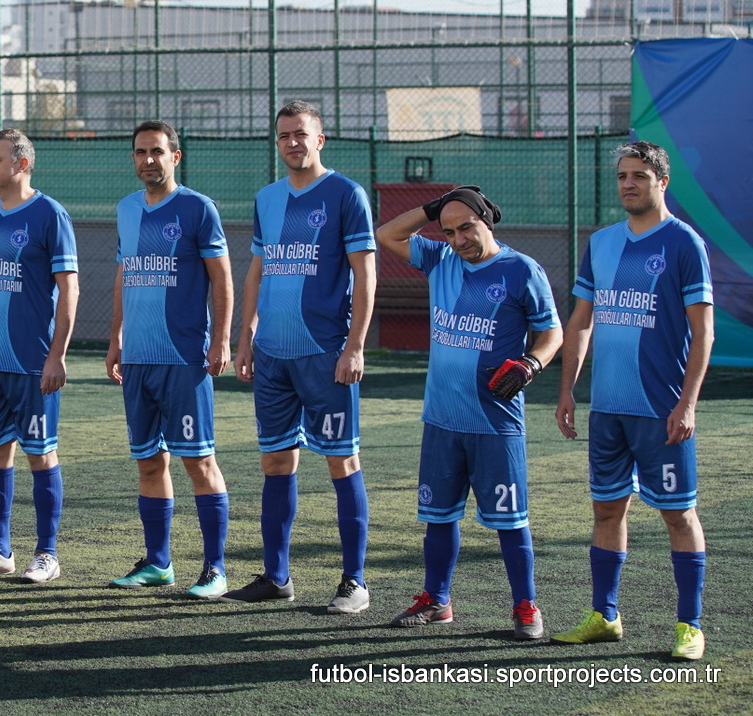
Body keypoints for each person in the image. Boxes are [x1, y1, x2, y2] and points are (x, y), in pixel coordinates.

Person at [376, 185, 562, 639]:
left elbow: (551, 333)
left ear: (487, 222)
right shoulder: (440, 260)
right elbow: (386, 234)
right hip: (442, 419)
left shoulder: (522, 270)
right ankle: (436, 600)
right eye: (449, 231)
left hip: (495, 423)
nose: (459, 239)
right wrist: (434, 208)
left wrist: (531, 363)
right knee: (438, 516)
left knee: (510, 520)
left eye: (467, 228)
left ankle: (525, 606)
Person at [552, 141, 713, 661]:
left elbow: (703, 332)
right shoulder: (601, 243)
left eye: (639, 175)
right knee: (606, 510)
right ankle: (605, 616)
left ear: (662, 182)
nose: (628, 184)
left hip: (661, 410)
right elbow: (580, 321)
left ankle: (689, 626)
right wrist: (567, 389)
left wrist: (687, 404)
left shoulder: (684, 243)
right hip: (608, 410)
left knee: (678, 515)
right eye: (622, 175)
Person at [225, 101, 377, 611]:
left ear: (320, 140)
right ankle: (276, 577)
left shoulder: (346, 194)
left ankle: (354, 581)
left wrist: (355, 346)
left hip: (325, 354)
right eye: (284, 135)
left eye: (301, 134)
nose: (292, 143)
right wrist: (245, 338)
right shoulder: (267, 198)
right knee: (275, 461)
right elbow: (257, 271)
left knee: (341, 461)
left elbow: (365, 274)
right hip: (272, 355)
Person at [105, 120, 234, 599]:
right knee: (147, 463)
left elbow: (221, 278)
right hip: (138, 359)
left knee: (198, 461)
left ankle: (215, 569)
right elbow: (125, 274)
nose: (148, 160)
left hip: (183, 358)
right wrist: (116, 338)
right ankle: (158, 563)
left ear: (175, 157)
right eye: (140, 152)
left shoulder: (198, 208)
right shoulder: (126, 209)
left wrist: (221, 339)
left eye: (157, 151)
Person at [0, 129, 79, 583]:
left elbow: (70, 289)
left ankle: (47, 554)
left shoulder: (50, 214)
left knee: (40, 456)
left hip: (32, 363)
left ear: (21, 165)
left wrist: (57, 355)